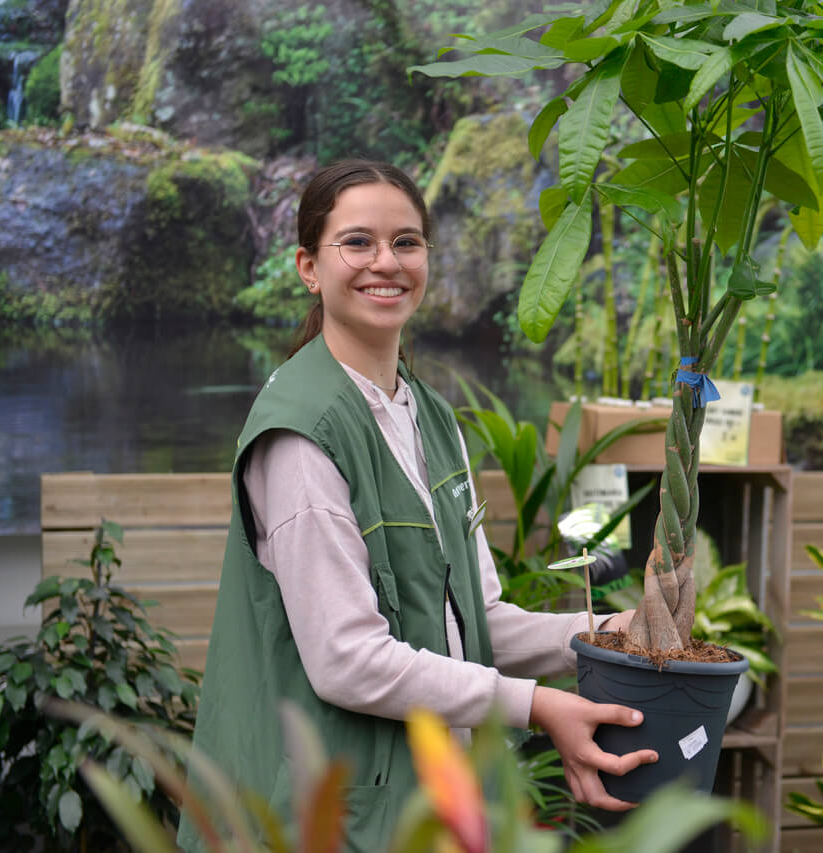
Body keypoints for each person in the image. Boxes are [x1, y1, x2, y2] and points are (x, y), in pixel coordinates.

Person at [177, 160, 656, 851]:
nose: (386, 262)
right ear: (309, 266)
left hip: (428, 801)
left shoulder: (428, 416)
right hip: (323, 815)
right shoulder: (300, 433)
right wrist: (536, 704)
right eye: (358, 242)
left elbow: (476, 617)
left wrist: (607, 630)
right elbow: (348, 659)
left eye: (406, 242)